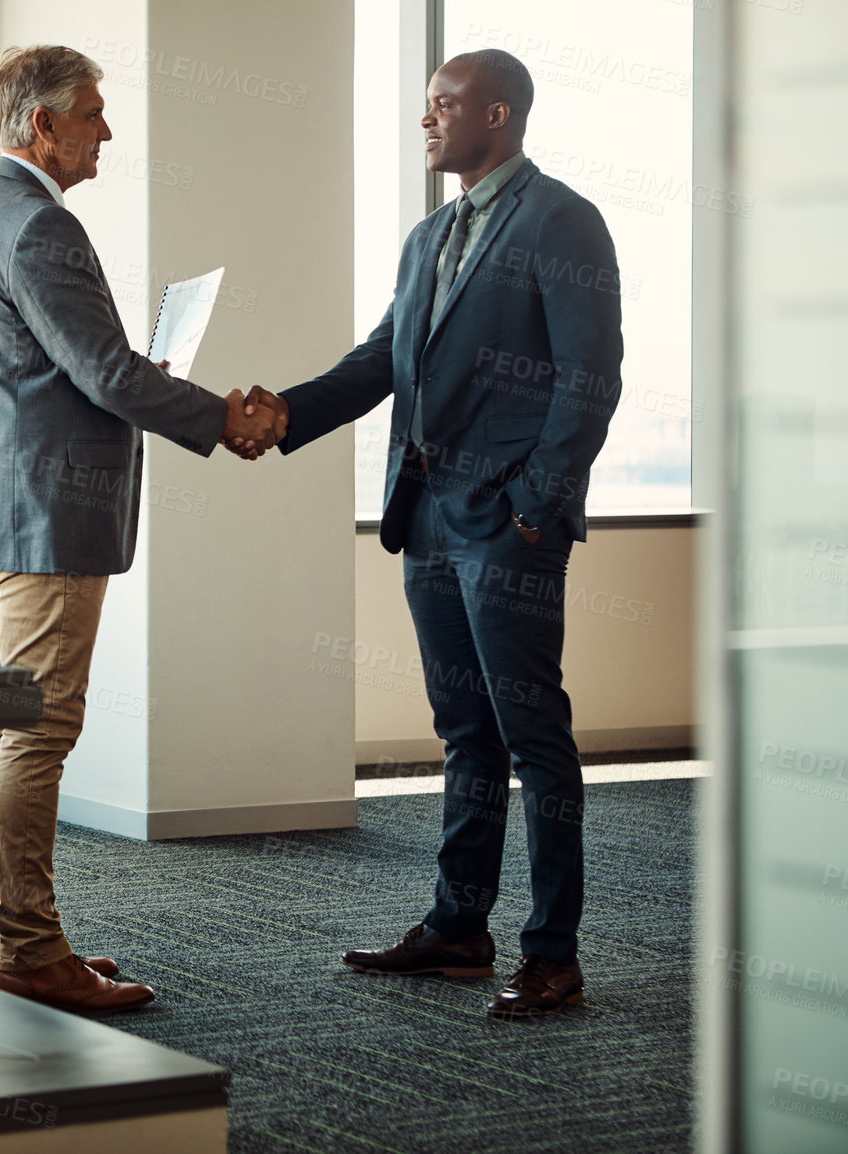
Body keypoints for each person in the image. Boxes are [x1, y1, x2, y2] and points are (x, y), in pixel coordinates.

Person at [259, 49, 623, 1017]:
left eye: (443, 106)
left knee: (531, 733)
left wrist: (534, 506)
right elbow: (377, 361)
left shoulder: (563, 219)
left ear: (495, 114)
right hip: (425, 521)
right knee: (463, 730)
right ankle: (459, 927)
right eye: (424, 107)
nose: (426, 121)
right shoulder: (428, 238)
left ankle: (553, 953)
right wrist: (271, 416)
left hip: (506, 527)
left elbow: (590, 378)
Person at [0, 44, 283, 1012]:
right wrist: (223, 415)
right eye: (91, 113)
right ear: (41, 125)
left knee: (7, 728)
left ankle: (3, 934)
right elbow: (106, 375)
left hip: (5, 505)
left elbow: (79, 365)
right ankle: (33, 950)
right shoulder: (40, 227)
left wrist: (158, 379)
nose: (107, 130)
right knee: (39, 729)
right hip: (47, 513)